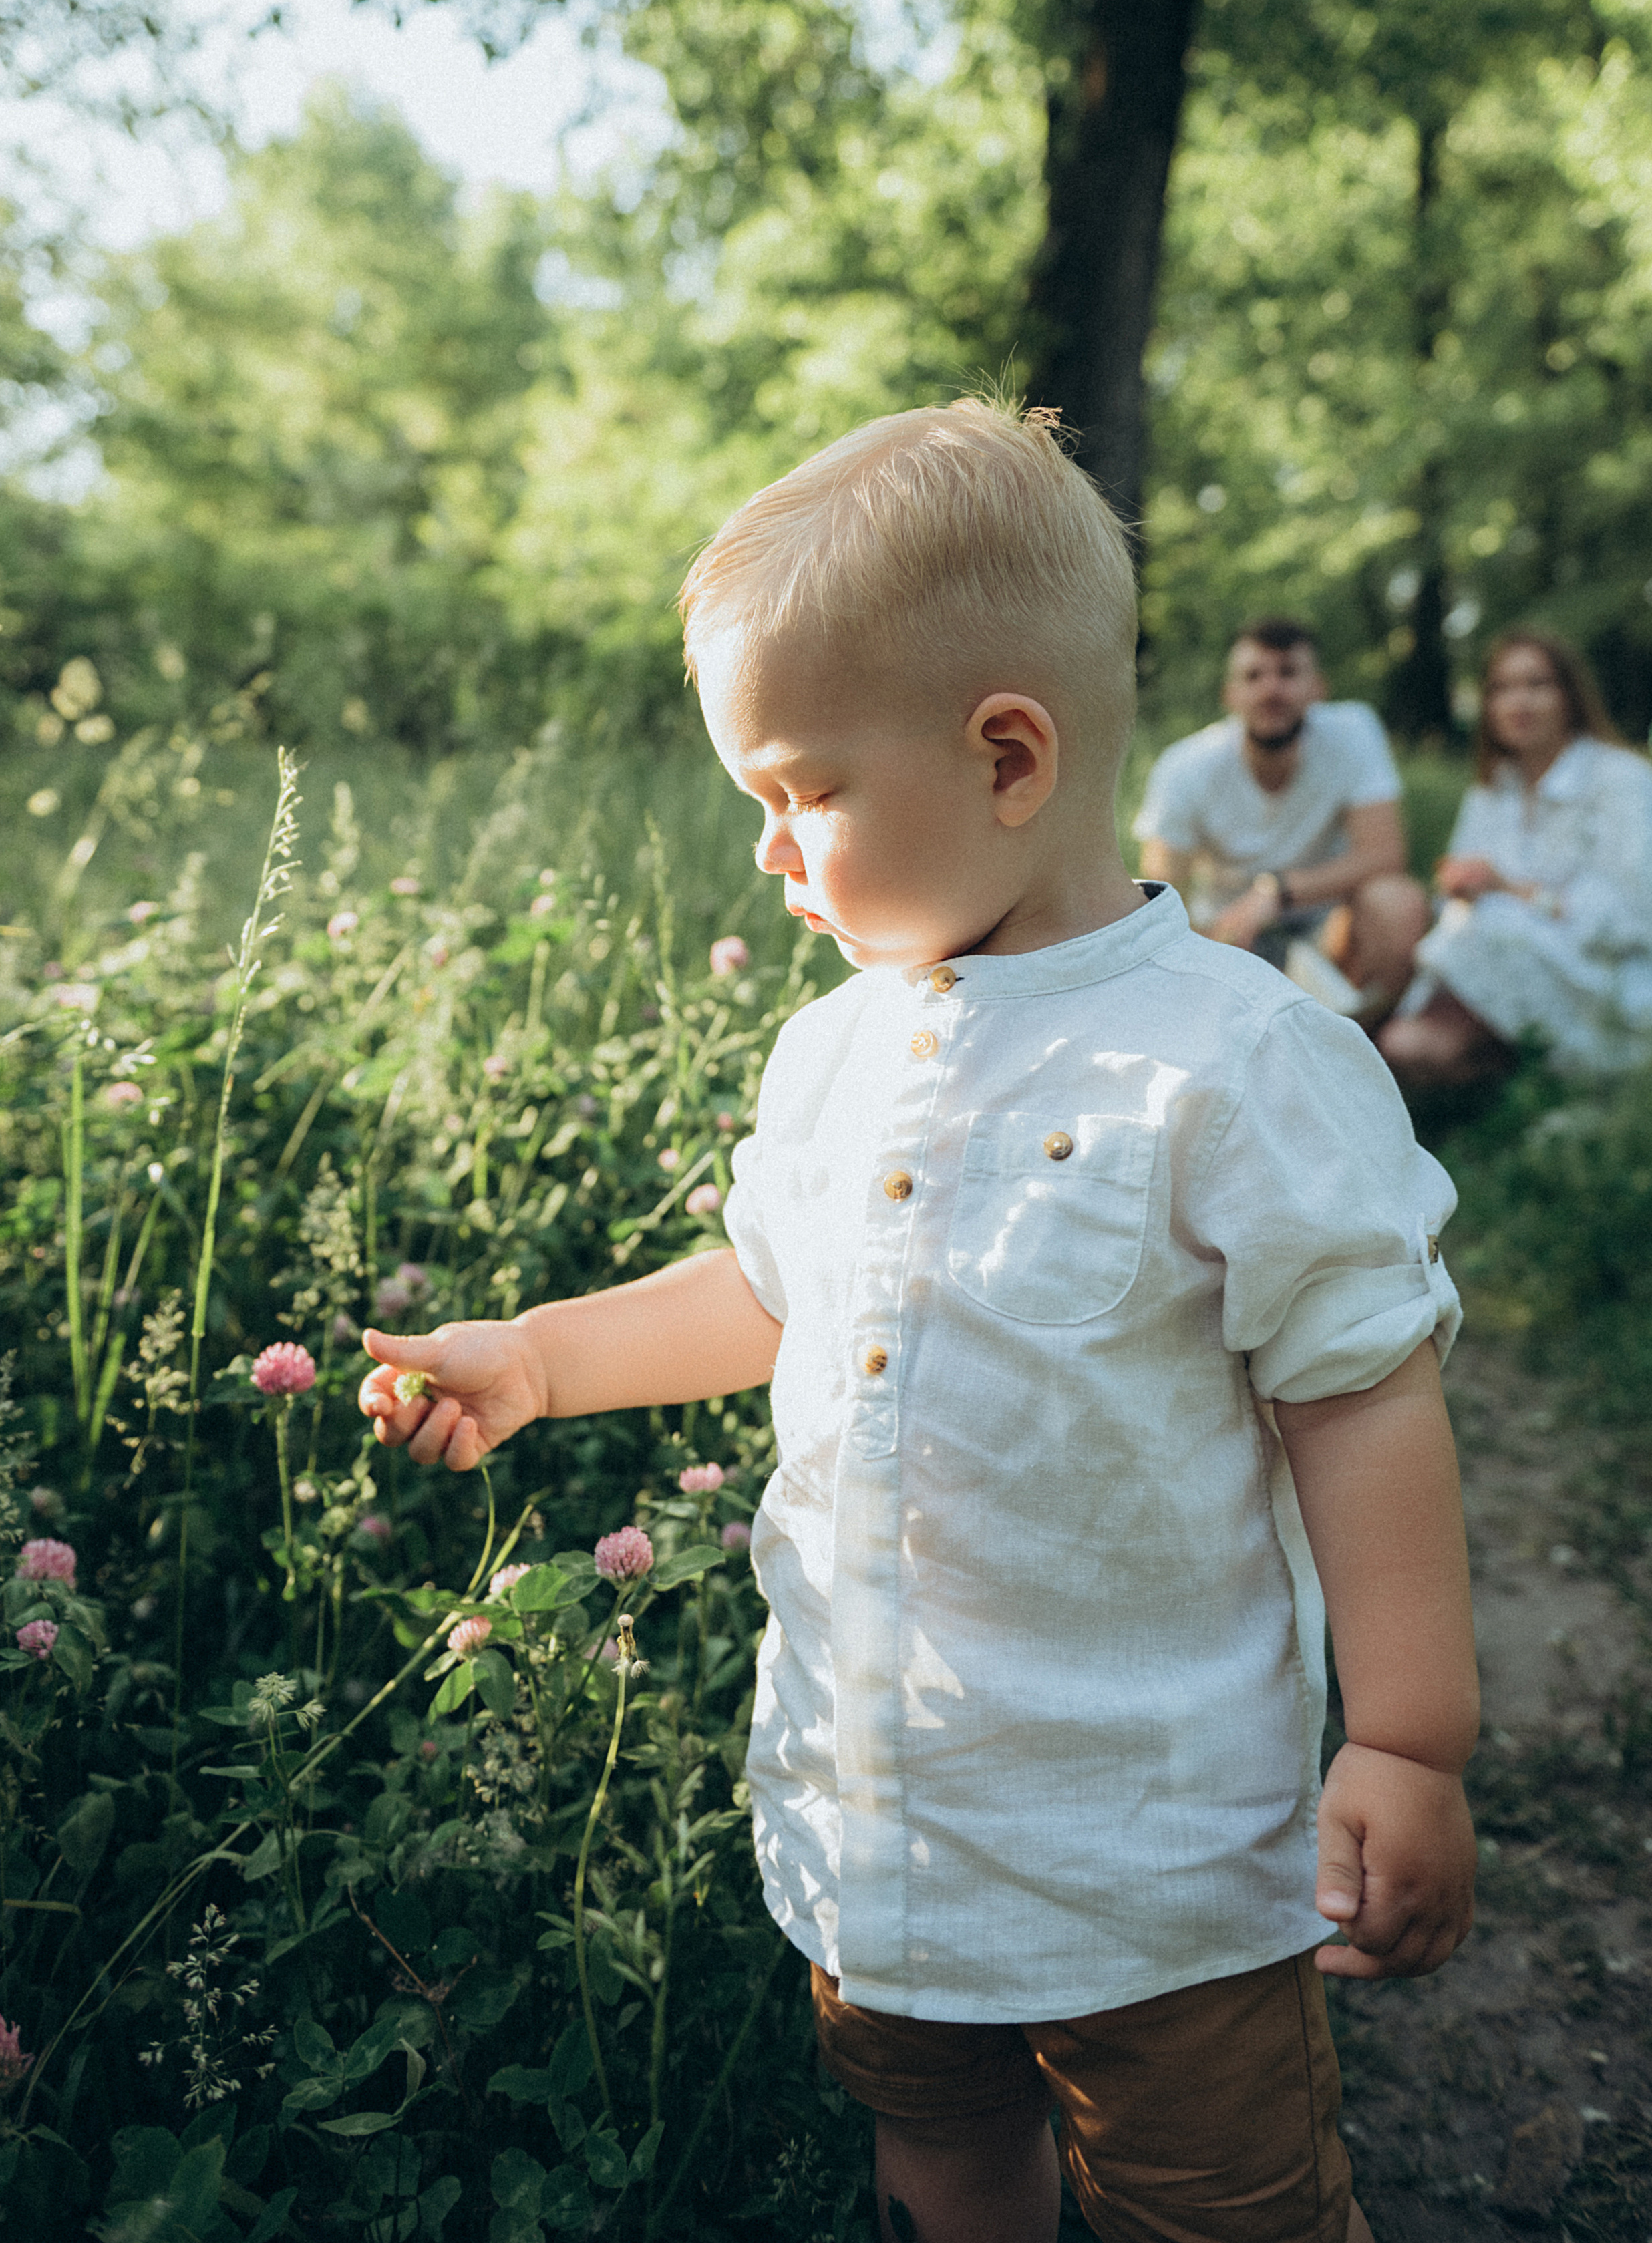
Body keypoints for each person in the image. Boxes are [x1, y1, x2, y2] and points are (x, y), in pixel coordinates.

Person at [359, 401, 1477, 2243]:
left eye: (800, 789)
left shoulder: (1233, 1062)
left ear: (1009, 758)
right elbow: (773, 1289)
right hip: (879, 1823)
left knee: (1224, 2205)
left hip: (1159, 1866)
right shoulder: (834, 1047)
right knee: (941, 2157)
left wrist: (1412, 1736)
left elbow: (1363, 1397)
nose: (771, 852)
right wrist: (548, 1355)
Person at [1379, 628, 1652, 1085]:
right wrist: (1461, 888)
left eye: (1536, 684)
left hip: (1602, 977)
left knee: (1415, 1041)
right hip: (1495, 960)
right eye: (1501, 688)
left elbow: (1632, 916)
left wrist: (1511, 890)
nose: (1518, 702)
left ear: (1570, 695)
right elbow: (1460, 902)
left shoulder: (1620, 780)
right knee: (1407, 1045)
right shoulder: (1493, 790)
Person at [1134, 620, 1428, 1017]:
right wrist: (1208, 945)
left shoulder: (1353, 731)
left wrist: (1274, 893)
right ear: (1230, 695)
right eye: (1254, 676)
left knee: (1399, 901)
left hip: (1329, 929)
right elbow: (1162, 895)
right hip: (1226, 935)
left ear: (1318, 689)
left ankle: (1372, 1039)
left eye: (1288, 673)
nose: (1271, 690)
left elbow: (1385, 855)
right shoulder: (1186, 767)